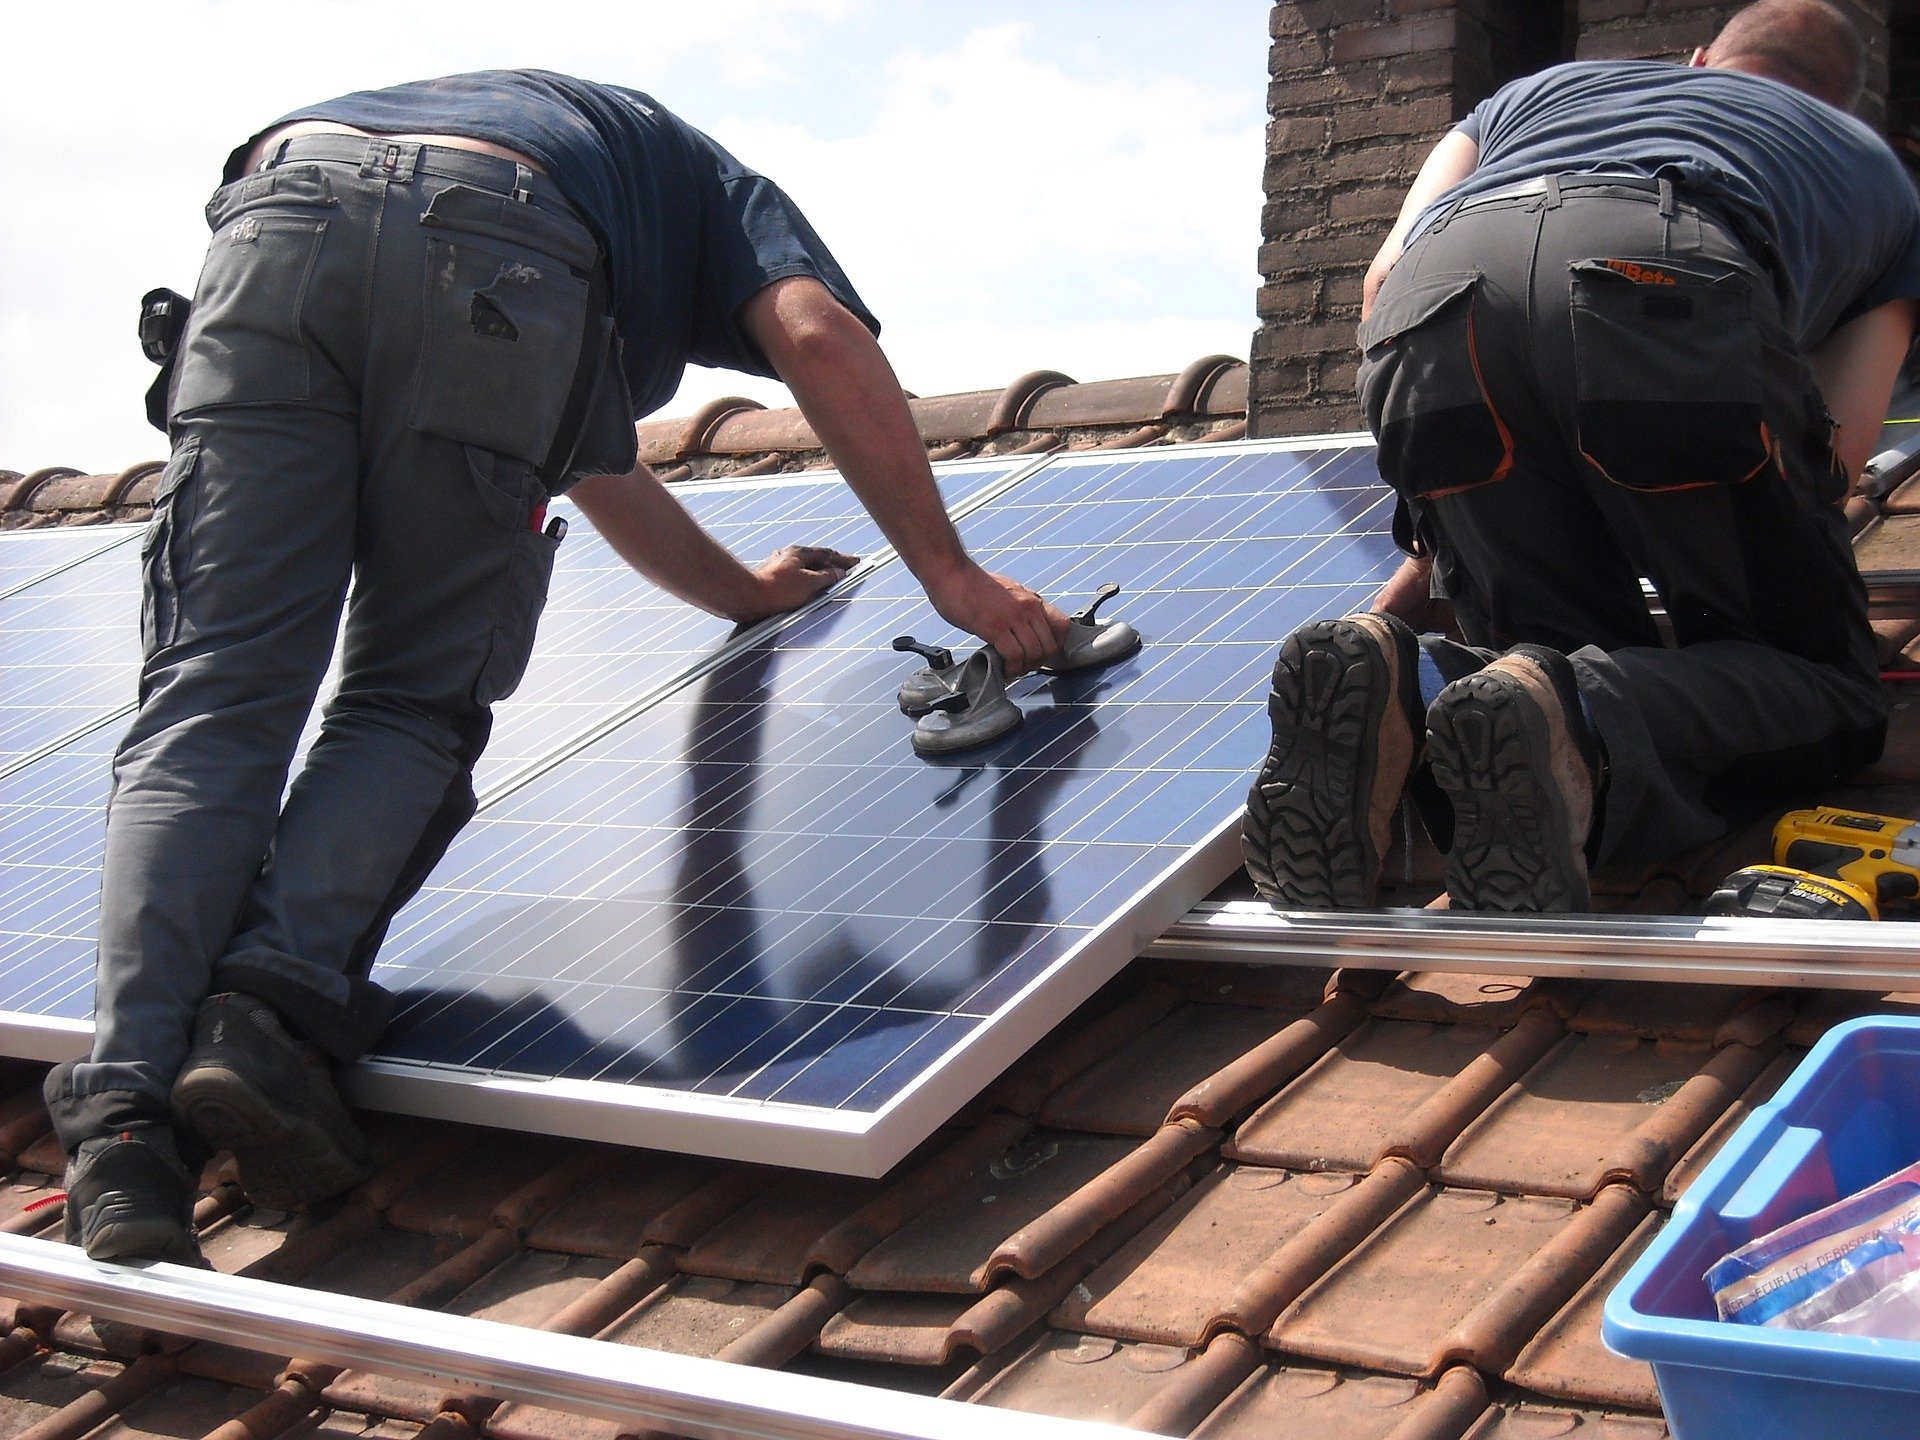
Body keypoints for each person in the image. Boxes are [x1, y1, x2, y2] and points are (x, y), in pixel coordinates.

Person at [49, 71, 1069, 1263]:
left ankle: (122, 1129)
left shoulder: (581, 148)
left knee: (211, 695)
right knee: (408, 697)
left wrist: (740, 594)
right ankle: (263, 1014)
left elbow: (588, 458)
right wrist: (949, 572)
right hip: (505, 244)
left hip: (279, 214)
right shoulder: (716, 190)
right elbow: (815, 333)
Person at [1242, 0, 1920, 917]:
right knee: (1821, 684)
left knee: (1534, 660)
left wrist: (1458, 513)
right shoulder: (1874, 174)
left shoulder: (1537, 94)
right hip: (1661, 272)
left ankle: (1408, 681)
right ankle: (1587, 711)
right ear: (1841, 107)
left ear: (1696, 58)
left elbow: (1382, 272)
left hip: (1431, 301)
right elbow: (1837, 441)